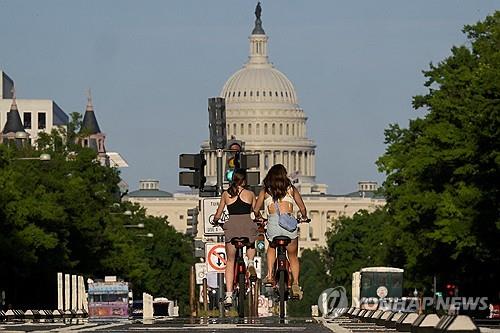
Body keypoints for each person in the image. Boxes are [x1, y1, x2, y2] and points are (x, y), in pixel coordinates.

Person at [254, 164, 308, 299]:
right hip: (289, 226)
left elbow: (255, 210)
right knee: (293, 256)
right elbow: (302, 208)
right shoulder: (291, 189)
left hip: (272, 226)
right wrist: (304, 217)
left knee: (271, 247)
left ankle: (270, 274)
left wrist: (260, 218)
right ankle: (295, 283)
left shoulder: (265, 191)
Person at [213, 169, 258, 306]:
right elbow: (256, 213)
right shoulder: (250, 194)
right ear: (244, 180)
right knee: (251, 242)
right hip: (246, 225)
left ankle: (228, 295)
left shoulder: (226, 194)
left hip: (231, 227)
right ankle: (250, 262)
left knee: (230, 261)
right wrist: (260, 220)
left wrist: (215, 220)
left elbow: (219, 213)